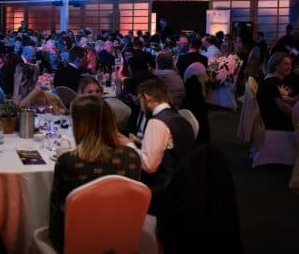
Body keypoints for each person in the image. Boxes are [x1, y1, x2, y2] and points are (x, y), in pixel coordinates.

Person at [49, 95, 141, 251]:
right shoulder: (132, 157)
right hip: (121, 241)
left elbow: (57, 213)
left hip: (76, 244)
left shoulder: (68, 162)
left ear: (80, 125)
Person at [132, 79, 196, 214]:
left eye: (139, 101)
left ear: (146, 98)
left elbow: (149, 166)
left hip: (162, 192)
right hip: (187, 186)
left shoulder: (156, 122)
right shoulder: (180, 118)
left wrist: (129, 146)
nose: (140, 107)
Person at [257, 53, 298, 131]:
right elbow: (282, 106)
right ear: (276, 66)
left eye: (290, 64)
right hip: (273, 123)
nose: (290, 67)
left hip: (269, 119)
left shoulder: (270, 78)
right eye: (286, 64)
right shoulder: (272, 81)